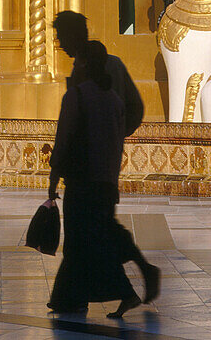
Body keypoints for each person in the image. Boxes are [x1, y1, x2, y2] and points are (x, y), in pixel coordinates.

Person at [52, 11, 159, 302]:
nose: (59, 43)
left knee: (94, 229)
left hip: (91, 169)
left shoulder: (105, 66)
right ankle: (71, 295)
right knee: (97, 228)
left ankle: (78, 294)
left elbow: (131, 107)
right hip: (98, 166)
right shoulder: (81, 67)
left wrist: (112, 134)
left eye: (61, 36)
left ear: (74, 35)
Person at [47, 40, 141, 318]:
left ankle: (122, 293)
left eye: (77, 62)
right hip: (106, 183)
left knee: (79, 242)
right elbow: (116, 142)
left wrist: (53, 179)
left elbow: (62, 141)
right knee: (90, 241)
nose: (74, 66)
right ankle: (70, 298)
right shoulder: (113, 99)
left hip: (82, 182)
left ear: (85, 64)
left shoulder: (76, 96)